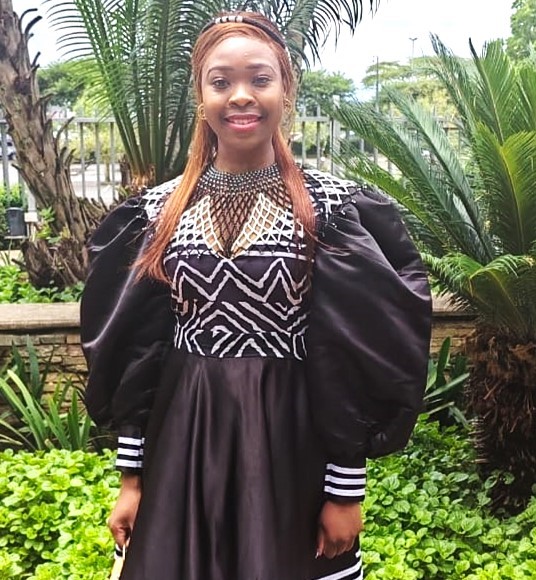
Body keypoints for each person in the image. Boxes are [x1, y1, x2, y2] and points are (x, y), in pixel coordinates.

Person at [80, 11, 432, 580]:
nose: (240, 96)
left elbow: (357, 354)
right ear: (201, 97)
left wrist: (345, 489)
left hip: (290, 441)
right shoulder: (156, 213)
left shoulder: (333, 212)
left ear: (286, 90)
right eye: (221, 81)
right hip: (185, 440)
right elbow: (138, 356)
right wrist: (132, 479)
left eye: (259, 79)